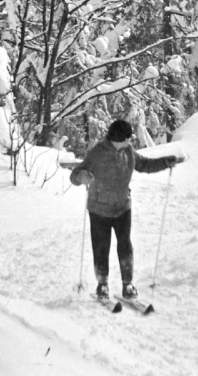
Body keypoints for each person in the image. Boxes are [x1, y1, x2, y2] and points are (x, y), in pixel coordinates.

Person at [70, 120, 183, 300]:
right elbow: (75, 174)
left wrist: (165, 162)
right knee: (101, 247)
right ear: (118, 138)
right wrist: (81, 176)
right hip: (99, 209)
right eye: (127, 139)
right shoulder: (97, 153)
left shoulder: (128, 151)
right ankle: (102, 284)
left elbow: (144, 164)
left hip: (122, 207)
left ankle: (127, 284)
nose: (130, 142)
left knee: (125, 246)